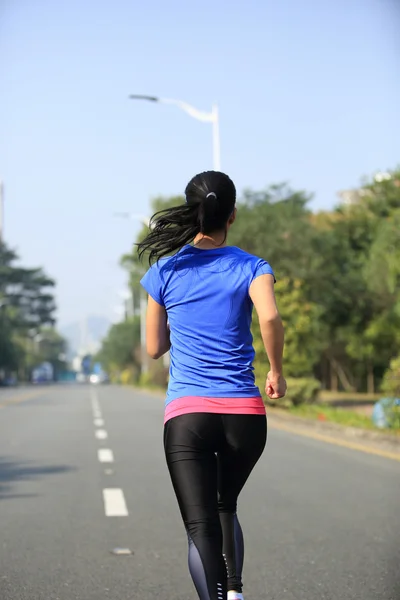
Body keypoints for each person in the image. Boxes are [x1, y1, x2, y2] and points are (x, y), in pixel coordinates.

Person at [139, 170, 286, 600]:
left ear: (192, 212)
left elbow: (153, 348)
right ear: (232, 214)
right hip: (245, 415)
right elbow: (271, 318)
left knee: (200, 524)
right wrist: (275, 371)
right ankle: (235, 591)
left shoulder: (165, 270)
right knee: (226, 503)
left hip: (188, 416)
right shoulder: (253, 266)